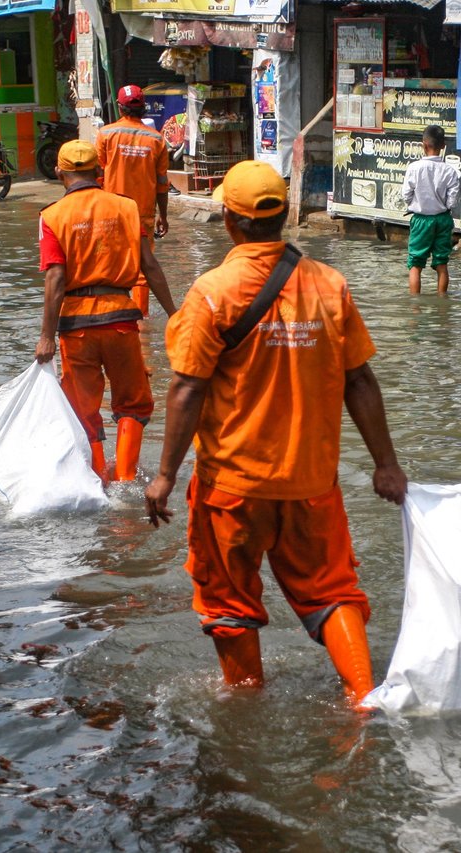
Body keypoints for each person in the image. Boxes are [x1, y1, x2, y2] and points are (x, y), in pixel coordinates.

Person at [145, 160, 407, 710]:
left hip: (233, 487)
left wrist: (165, 476)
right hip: (312, 483)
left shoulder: (213, 292)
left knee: (227, 604)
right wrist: (386, 464)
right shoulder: (328, 285)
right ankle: (365, 701)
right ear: (283, 218)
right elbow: (359, 379)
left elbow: (187, 390)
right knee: (333, 592)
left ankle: (243, 713)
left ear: (230, 221)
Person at [35, 139, 176, 483]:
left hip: (75, 326)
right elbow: (151, 267)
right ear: (99, 171)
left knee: (83, 408)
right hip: (121, 320)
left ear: (59, 173)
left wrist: (46, 337)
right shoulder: (126, 209)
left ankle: (98, 477)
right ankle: (126, 478)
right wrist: (175, 314)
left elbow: (55, 278)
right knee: (133, 403)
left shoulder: (52, 216)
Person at [96, 85, 170, 317]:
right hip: (142, 213)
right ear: (144, 107)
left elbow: (98, 173)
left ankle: (114, 314)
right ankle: (140, 321)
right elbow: (162, 183)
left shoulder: (106, 134)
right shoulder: (157, 140)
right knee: (142, 269)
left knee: (110, 262)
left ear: (120, 108)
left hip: (111, 211)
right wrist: (164, 215)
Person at [402, 124, 460, 295]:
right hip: (443, 219)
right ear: (443, 146)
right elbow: (452, 200)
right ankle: (442, 306)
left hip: (421, 219)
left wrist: (418, 203)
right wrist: (441, 207)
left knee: (415, 265)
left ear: (424, 145)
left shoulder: (414, 168)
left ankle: (414, 308)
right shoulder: (450, 171)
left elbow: (406, 194)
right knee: (442, 263)